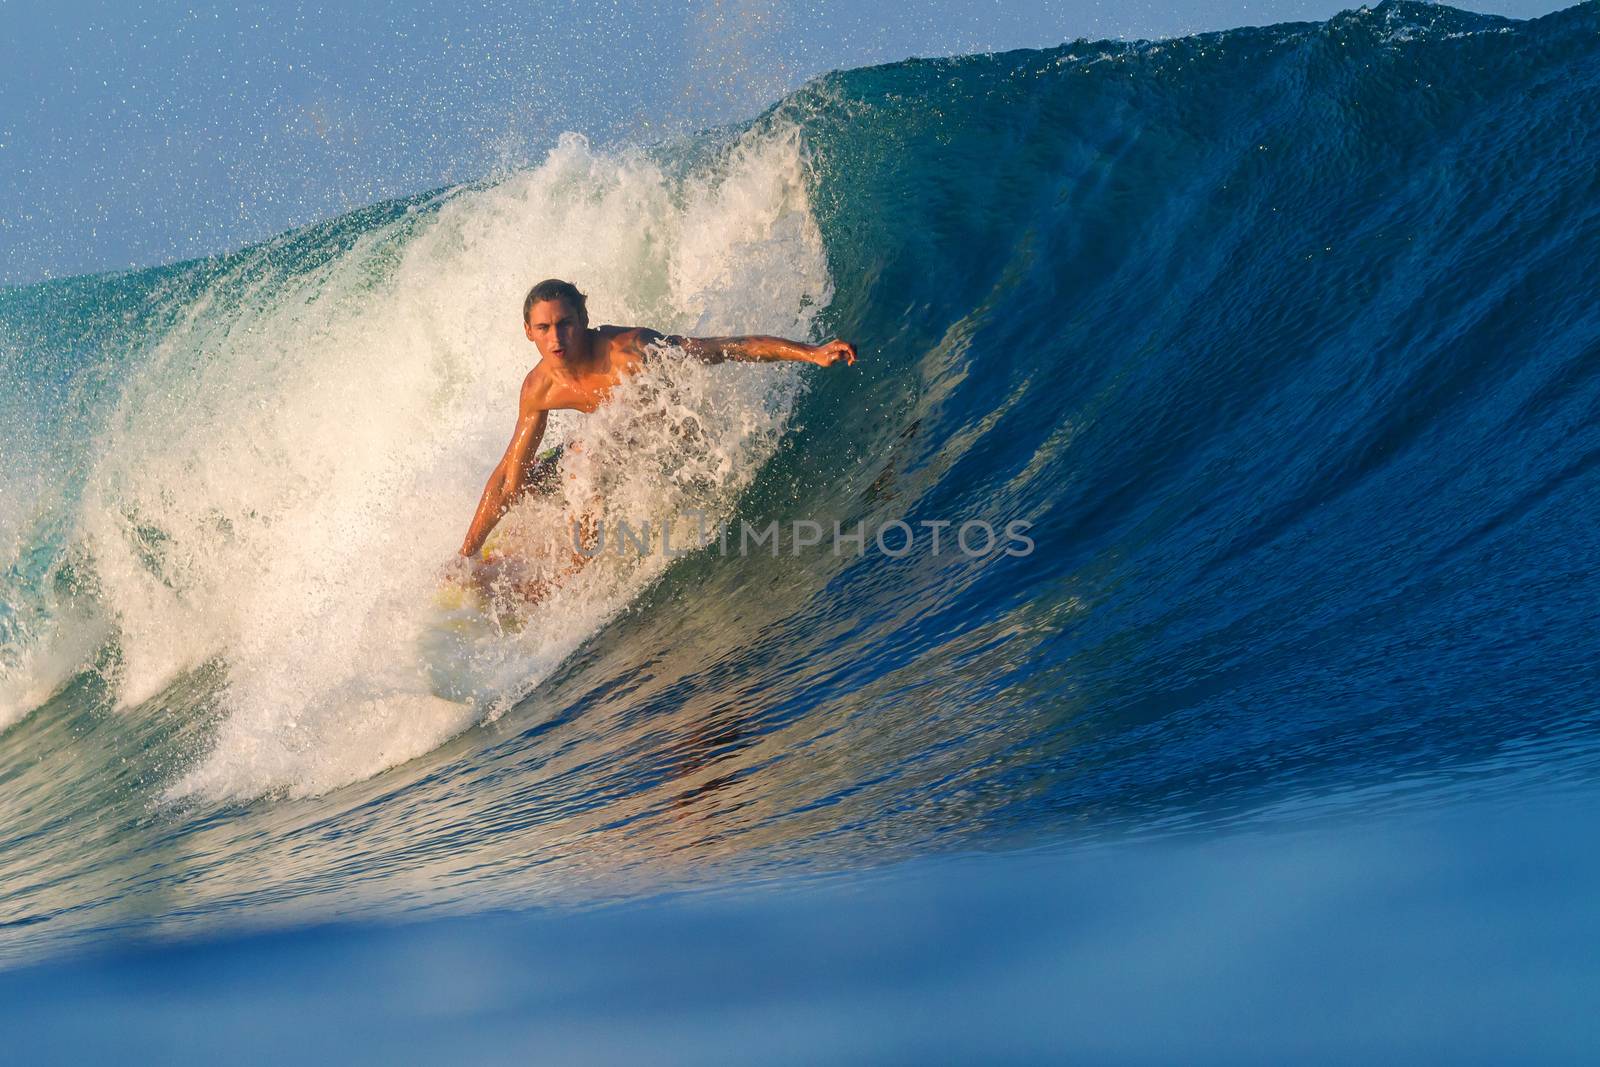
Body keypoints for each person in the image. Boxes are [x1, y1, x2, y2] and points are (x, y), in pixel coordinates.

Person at [457, 278, 857, 569]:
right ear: (529, 333)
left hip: (665, 437)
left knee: (585, 456)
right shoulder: (538, 389)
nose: (556, 337)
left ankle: (577, 572)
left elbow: (724, 348)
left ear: (583, 318)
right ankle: (502, 553)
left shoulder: (631, 351)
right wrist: (467, 552)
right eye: (543, 328)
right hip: (607, 444)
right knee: (533, 477)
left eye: (565, 323)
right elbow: (508, 476)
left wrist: (811, 353)